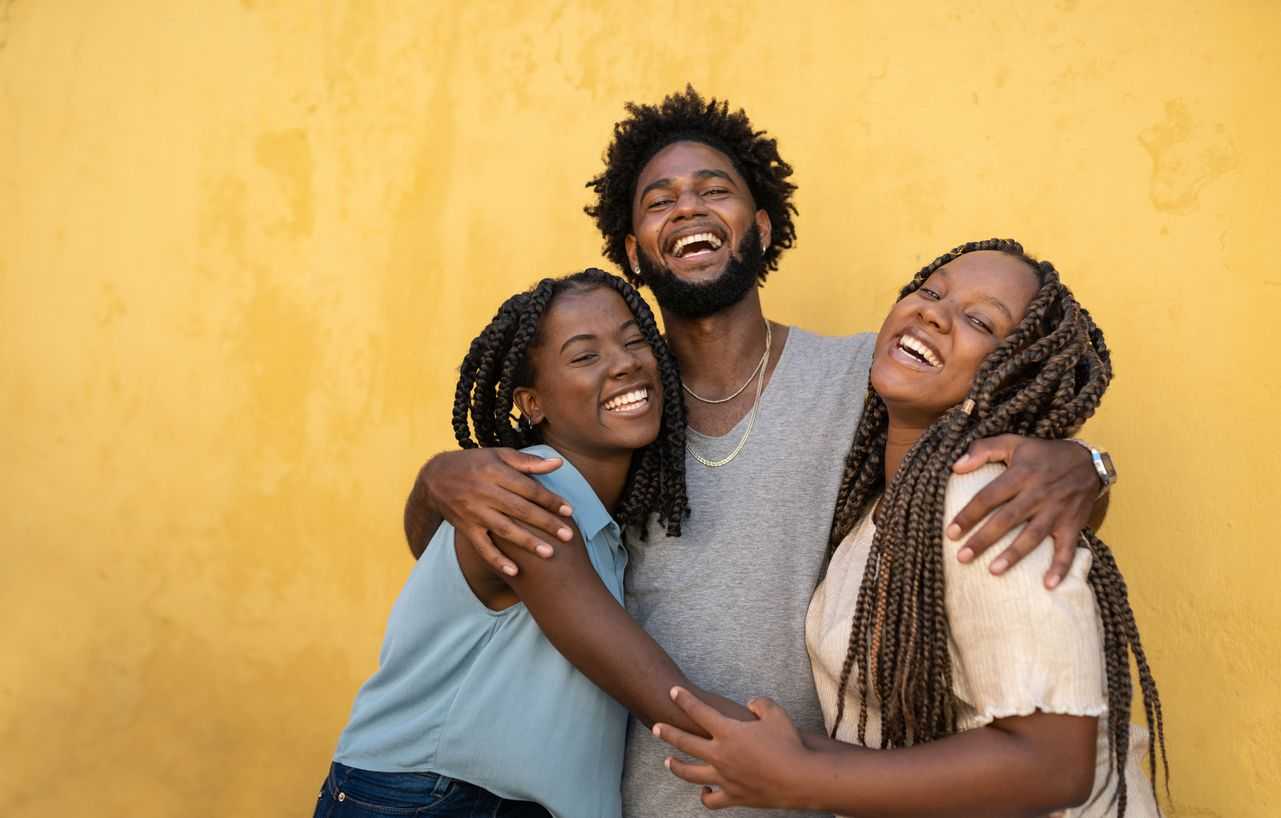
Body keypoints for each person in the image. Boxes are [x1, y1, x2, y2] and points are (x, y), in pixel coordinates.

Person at [403, 88, 1113, 818]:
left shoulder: (869, 377)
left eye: (714, 190)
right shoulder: (618, 407)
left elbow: (991, 466)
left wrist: (1086, 467)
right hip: (648, 801)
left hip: (816, 795)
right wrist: (435, 483)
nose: (687, 207)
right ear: (632, 253)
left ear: (763, 227)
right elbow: (482, 550)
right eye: (659, 201)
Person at [652, 241, 1168, 818]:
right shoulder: (882, 510)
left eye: (980, 321)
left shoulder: (988, 502)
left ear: (1017, 374)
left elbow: (1054, 764)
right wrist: (782, 757)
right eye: (930, 291)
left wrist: (801, 777)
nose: (933, 313)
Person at [316, 269, 757, 818]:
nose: (624, 363)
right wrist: (826, 767)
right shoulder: (527, 501)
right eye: (585, 356)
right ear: (532, 404)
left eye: (634, 341)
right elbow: (664, 699)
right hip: (429, 799)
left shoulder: (596, 520)